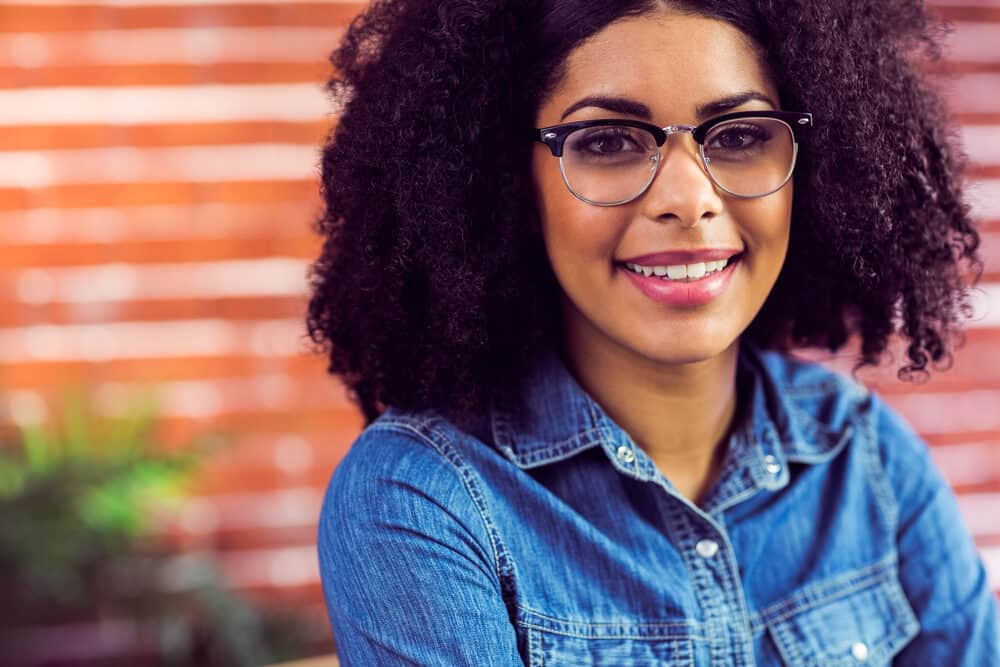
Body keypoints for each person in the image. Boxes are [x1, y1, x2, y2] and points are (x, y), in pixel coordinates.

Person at [306, 0, 1000, 664]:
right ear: (500, 179)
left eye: (739, 136)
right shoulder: (426, 499)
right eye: (607, 141)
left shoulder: (867, 460)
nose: (687, 200)